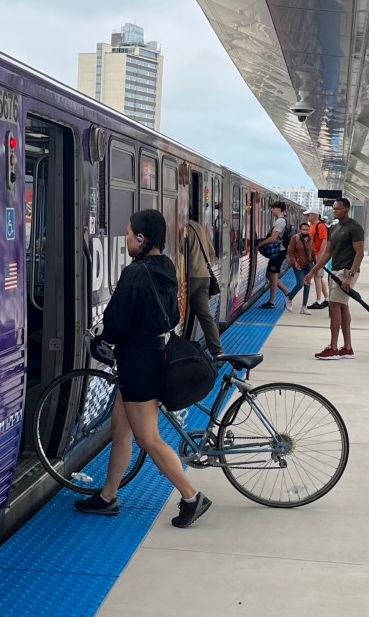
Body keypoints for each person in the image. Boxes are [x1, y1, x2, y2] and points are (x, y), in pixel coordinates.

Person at [76, 209, 211, 528]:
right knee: (120, 430)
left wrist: (103, 337)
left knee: (148, 438)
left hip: (137, 364)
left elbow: (116, 322)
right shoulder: (167, 268)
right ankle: (108, 497)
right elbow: (175, 317)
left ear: (141, 238)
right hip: (152, 355)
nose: (126, 239)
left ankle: (192, 496)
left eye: (128, 233)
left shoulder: (134, 274)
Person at [305, 198, 364, 360]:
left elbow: (359, 253)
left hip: (347, 272)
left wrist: (350, 276)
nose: (335, 211)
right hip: (335, 271)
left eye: (338, 209)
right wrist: (312, 272)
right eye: (334, 208)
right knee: (343, 307)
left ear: (346, 209)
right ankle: (347, 348)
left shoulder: (355, 228)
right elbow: (327, 254)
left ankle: (333, 348)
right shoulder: (334, 228)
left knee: (334, 306)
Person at [184, 218, 224, 356]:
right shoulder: (197, 226)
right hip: (205, 276)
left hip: (191, 278)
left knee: (174, 312)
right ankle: (218, 352)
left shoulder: (183, 228)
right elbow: (212, 252)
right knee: (205, 316)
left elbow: (177, 252)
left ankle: (176, 349)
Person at [257, 200, 291, 311]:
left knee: (273, 274)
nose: (271, 210)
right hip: (281, 251)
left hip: (278, 252)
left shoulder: (280, 221)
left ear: (279, 209)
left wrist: (260, 244)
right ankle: (286, 292)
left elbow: (273, 238)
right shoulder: (283, 220)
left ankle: (272, 301)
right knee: (270, 274)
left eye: (273, 208)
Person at [286, 221, 316, 315]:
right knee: (300, 284)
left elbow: (312, 251)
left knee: (307, 285)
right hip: (298, 265)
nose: (305, 231)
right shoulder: (295, 238)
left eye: (307, 229)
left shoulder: (311, 239)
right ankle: (289, 298)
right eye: (303, 229)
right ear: (300, 230)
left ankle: (304, 307)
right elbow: (290, 253)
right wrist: (295, 262)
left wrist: (316, 263)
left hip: (308, 265)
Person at [305, 208, 330, 310]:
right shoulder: (312, 226)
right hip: (313, 255)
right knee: (319, 277)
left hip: (318, 256)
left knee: (317, 277)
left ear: (315, 215)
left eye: (308, 215)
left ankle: (318, 301)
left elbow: (324, 241)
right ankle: (327, 299)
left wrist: (320, 256)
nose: (307, 216)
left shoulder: (321, 226)